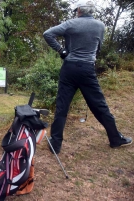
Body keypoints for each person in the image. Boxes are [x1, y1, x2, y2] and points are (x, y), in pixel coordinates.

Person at [43, 0, 132, 154]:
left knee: (62, 106)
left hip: (69, 69)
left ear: (79, 10)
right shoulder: (100, 26)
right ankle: (115, 139)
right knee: (99, 105)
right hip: (87, 69)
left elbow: (48, 34)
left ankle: (55, 144)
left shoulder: (71, 24)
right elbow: (99, 47)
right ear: (91, 11)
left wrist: (61, 50)